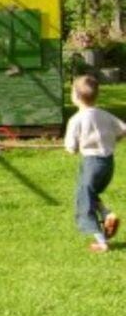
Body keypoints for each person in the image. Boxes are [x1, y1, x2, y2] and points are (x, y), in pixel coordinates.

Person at [65, 74, 126, 253]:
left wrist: (73, 148)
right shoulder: (104, 115)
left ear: (75, 96)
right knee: (89, 193)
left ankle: (102, 242)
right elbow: (123, 129)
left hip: (91, 163)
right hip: (107, 164)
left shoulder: (76, 120)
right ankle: (108, 214)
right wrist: (113, 139)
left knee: (84, 200)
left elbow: (71, 148)